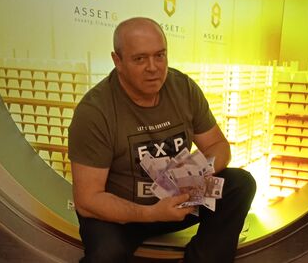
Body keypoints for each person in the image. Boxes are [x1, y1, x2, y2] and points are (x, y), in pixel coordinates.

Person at [68, 17, 256, 263]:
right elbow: (88, 200)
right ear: (117, 61)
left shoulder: (183, 88)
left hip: (180, 203)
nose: (153, 67)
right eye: (140, 59)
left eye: (160, 55)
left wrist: (195, 173)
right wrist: (151, 213)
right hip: (121, 215)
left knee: (240, 183)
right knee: (107, 255)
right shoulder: (95, 111)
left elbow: (218, 146)